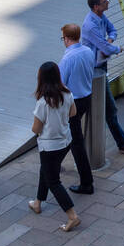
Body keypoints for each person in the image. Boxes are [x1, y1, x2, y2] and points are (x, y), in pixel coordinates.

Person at [27, 61, 83, 233]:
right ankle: (38, 202)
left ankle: (72, 216)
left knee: (53, 181)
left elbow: (35, 128)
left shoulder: (43, 102)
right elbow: (73, 113)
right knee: (46, 170)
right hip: (65, 141)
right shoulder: (67, 93)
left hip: (49, 145)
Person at [81, 0, 124, 155]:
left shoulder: (101, 18)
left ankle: (120, 142)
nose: (108, 3)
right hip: (94, 70)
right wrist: (117, 48)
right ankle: (122, 142)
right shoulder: (90, 25)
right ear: (96, 7)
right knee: (109, 108)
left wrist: (110, 40)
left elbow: (113, 30)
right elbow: (106, 48)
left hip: (101, 66)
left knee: (100, 107)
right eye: (104, 2)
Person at [58, 23, 97, 193]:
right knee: (73, 136)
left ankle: (87, 182)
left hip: (73, 102)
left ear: (66, 38)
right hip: (86, 98)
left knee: (75, 141)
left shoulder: (68, 58)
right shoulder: (88, 52)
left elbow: (60, 83)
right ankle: (55, 164)